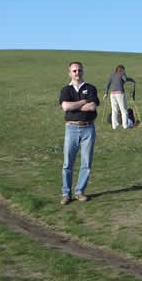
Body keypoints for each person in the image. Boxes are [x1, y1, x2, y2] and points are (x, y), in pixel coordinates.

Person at [59, 61, 99, 205]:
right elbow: (65, 106)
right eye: (74, 71)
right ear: (69, 73)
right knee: (67, 163)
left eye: (79, 70)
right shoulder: (66, 90)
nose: (77, 73)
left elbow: (92, 106)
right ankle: (66, 193)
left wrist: (74, 106)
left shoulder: (90, 88)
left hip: (88, 128)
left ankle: (80, 192)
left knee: (86, 163)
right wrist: (83, 102)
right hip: (71, 128)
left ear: (83, 71)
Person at [104, 64, 135, 130]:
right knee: (124, 110)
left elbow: (108, 84)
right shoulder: (122, 73)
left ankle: (114, 126)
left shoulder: (112, 75)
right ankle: (125, 125)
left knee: (114, 110)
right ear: (122, 69)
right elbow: (125, 79)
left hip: (112, 94)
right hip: (120, 94)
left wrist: (106, 93)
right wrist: (132, 80)